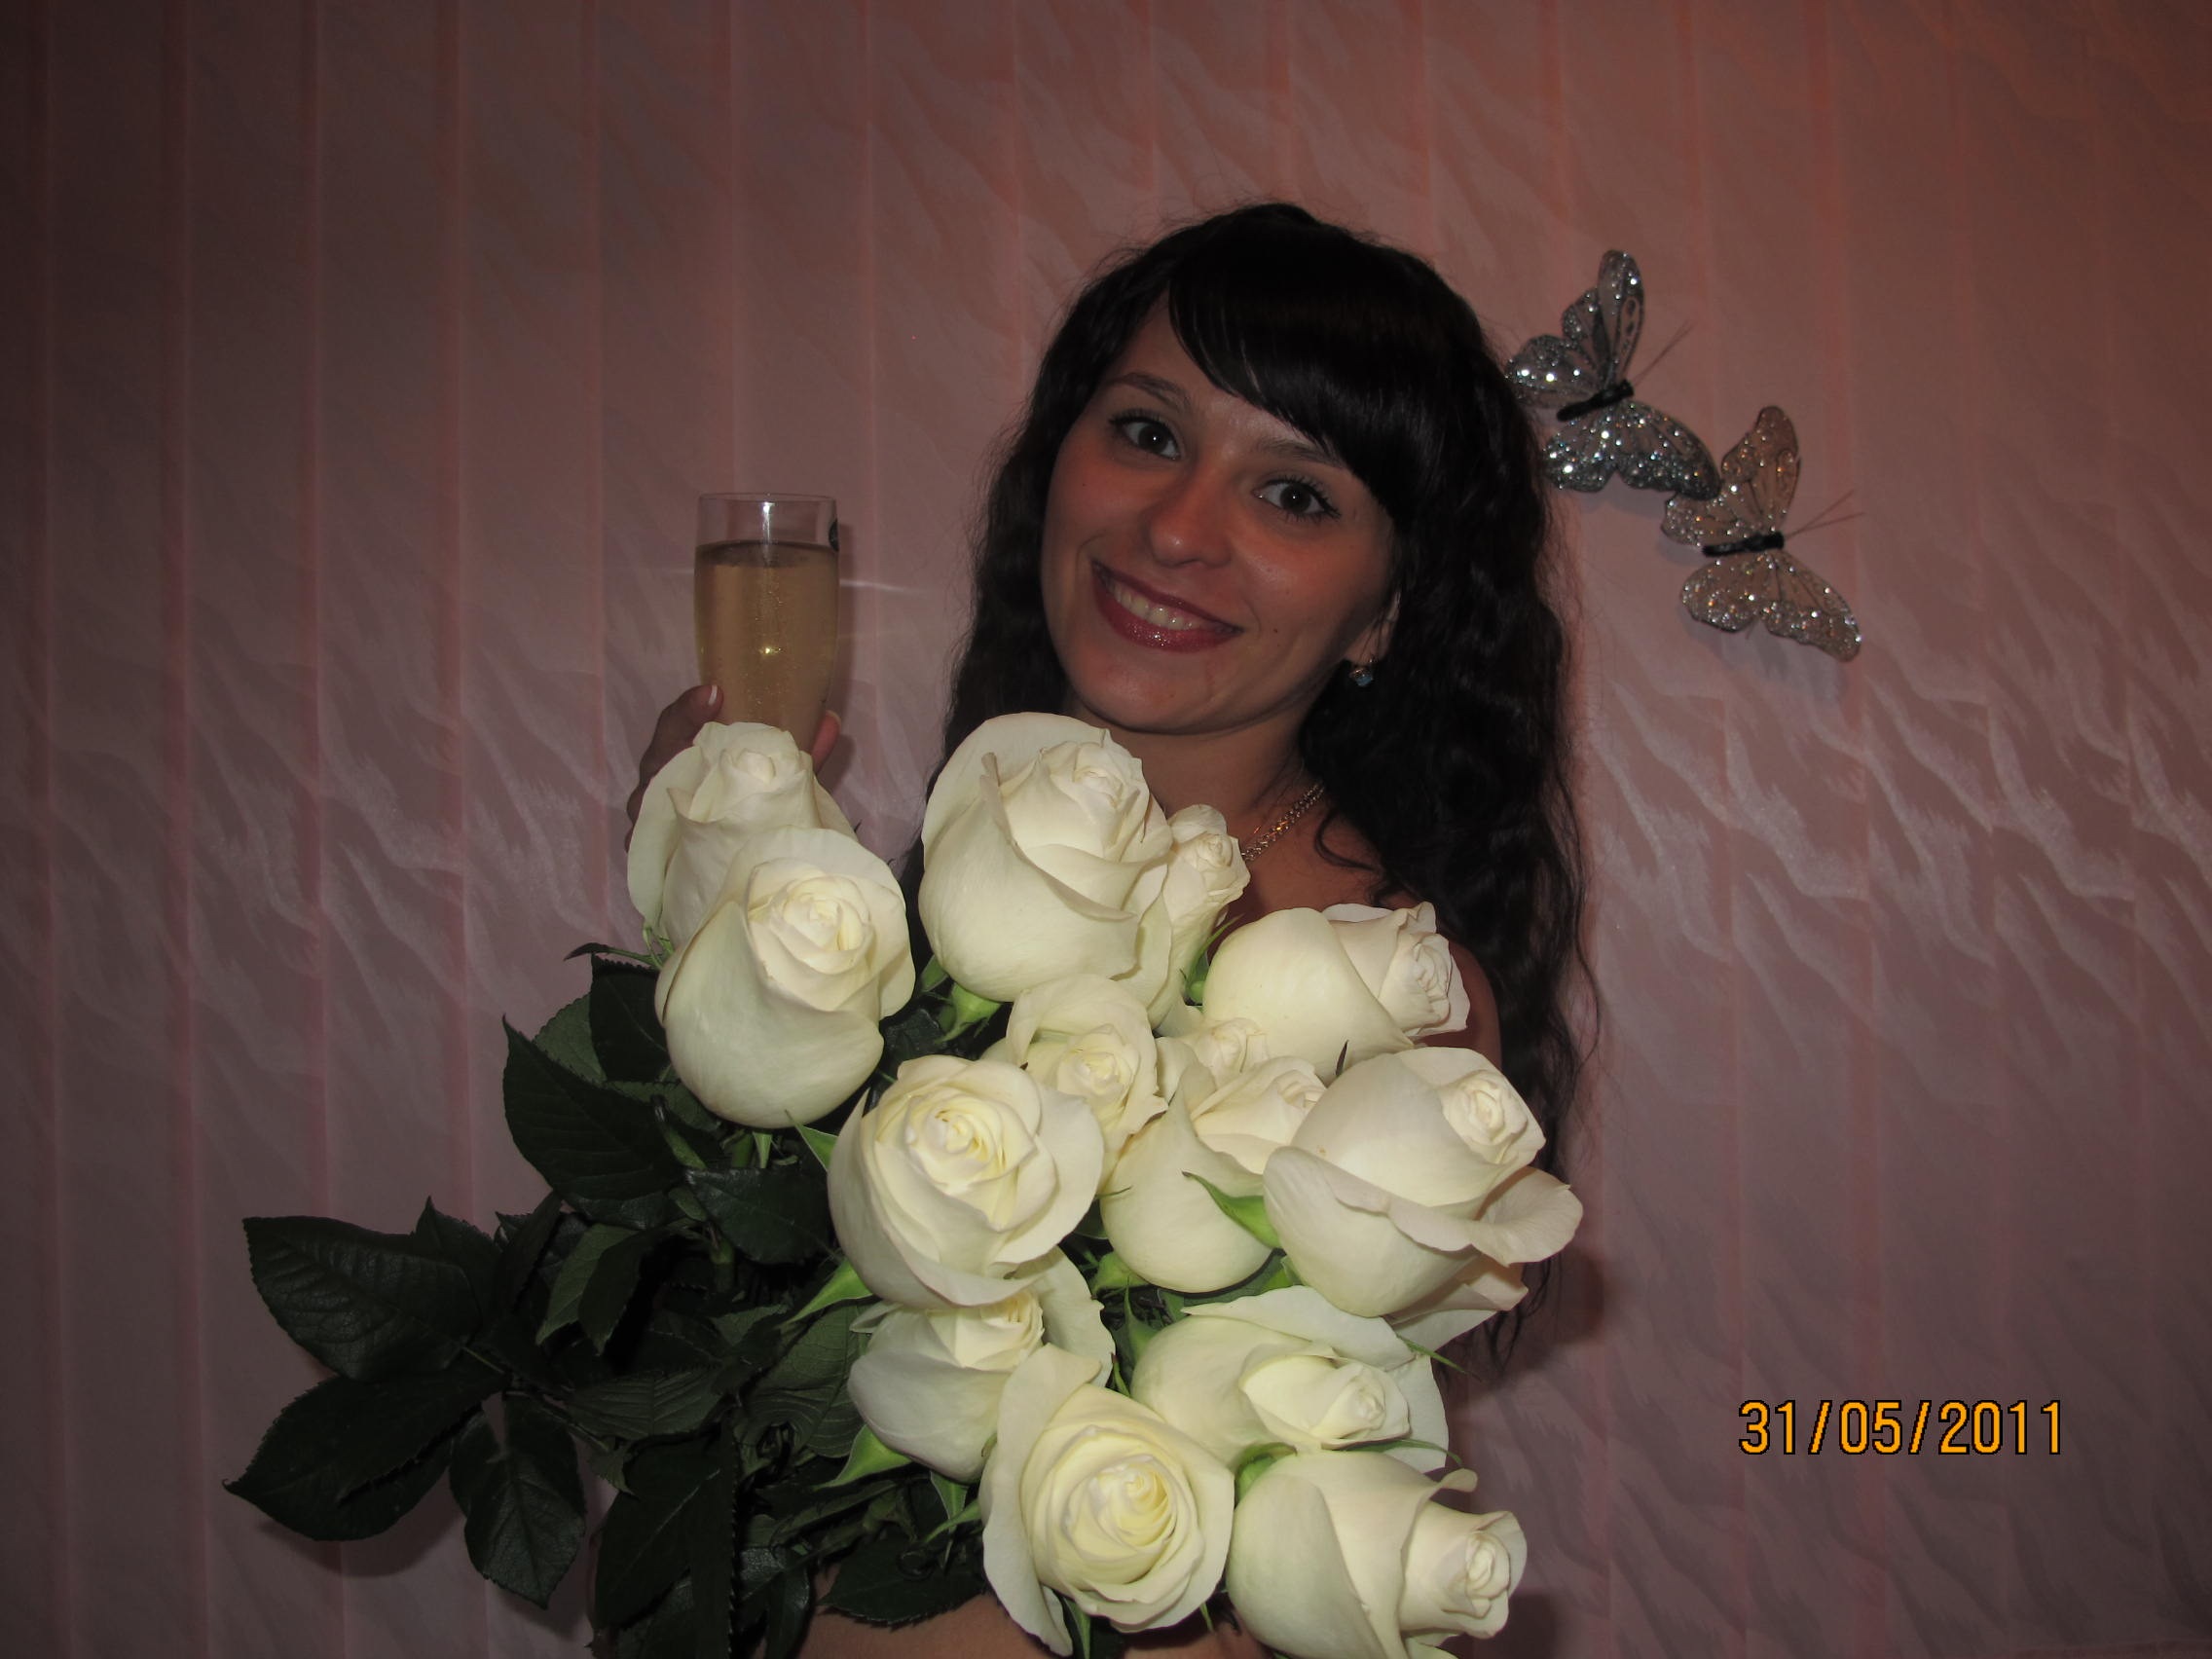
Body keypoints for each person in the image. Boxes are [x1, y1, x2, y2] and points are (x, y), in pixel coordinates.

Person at [629, 202, 1588, 1657]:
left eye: (1296, 496)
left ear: (1386, 613)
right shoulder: (910, 900)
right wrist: (702, 902)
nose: (1180, 528)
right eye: (1148, 434)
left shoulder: (1392, 1007)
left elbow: (1229, 1556)